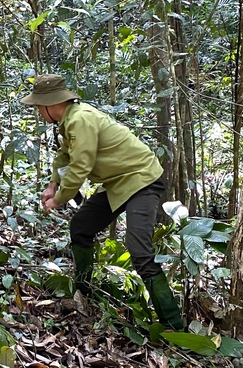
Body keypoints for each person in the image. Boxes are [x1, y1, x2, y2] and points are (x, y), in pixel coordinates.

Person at [21, 74, 183, 330]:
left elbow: (80, 166)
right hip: (118, 183)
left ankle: (174, 326)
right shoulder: (70, 120)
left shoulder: (80, 120)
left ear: (50, 105)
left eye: (38, 107)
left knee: (139, 251)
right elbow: (64, 156)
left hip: (141, 180)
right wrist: (53, 183)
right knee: (81, 226)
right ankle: (85, 291)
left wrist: (59, 199)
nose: (38, 112)